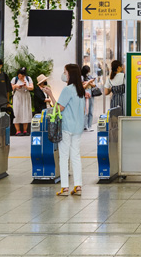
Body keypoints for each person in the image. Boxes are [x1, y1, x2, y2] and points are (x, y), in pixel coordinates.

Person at [54, 64, 86, 196]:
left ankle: (65, 187)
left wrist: (50, 95)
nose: (64, 74)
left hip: (66, 127)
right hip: (78, 127)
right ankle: (78, 186)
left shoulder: (67, 90)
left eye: (65, 72)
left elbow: (59, 108)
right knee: (76, 156)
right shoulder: (80, 90)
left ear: (70, 74)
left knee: (64, 156)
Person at [11, 67, 33, 136]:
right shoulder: (15, 79)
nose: (20, 77)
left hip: (25, 96)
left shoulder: (28, 79)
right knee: (16, 112)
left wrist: (26, 86)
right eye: (19, 76)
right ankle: (18, 131)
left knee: (25, 112)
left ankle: (25, 130)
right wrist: (16, 86)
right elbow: (10, 87)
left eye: (22, 76)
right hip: (17, 96)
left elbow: (32, 87)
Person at [82, 65, 96, 132]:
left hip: (91, 93)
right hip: (84, 94)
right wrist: (89, 82)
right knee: (86, 110)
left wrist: (88, 83)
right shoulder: (81, 77)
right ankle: (85, 125)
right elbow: (83, 86)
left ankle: (90, 125)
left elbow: (94, 85)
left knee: (91, 110)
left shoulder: (90, 76)